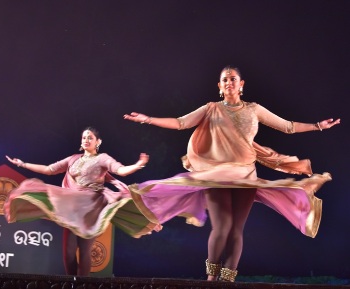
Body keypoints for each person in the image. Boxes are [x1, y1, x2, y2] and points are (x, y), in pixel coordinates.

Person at [123, 66, 340, 282]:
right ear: (219, 86)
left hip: (246, 176)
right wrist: (148, 119)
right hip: (217, 175)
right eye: (225, 80)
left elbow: (288, 127)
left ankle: (227, 281)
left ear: (241, 84)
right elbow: (181, 123)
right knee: (222, 227)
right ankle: (210, 279)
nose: (229, 82)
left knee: (236, 229)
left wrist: (317, 126)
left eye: (233, 79)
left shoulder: (254, 109)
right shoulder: (211, 108)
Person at [4, 126, 160, 276]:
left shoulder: (102, 158)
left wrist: (137, 165)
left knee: (85, 251)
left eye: (90, 137)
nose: (86, 140)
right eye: (84, 137)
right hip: (72, 207)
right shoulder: (73, 159)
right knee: (68, 253)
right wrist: (23, 164)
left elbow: (120, 170)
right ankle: (72, 283)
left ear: (98, 142)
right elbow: (49, 169)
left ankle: (82, 284)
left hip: (91, 208)